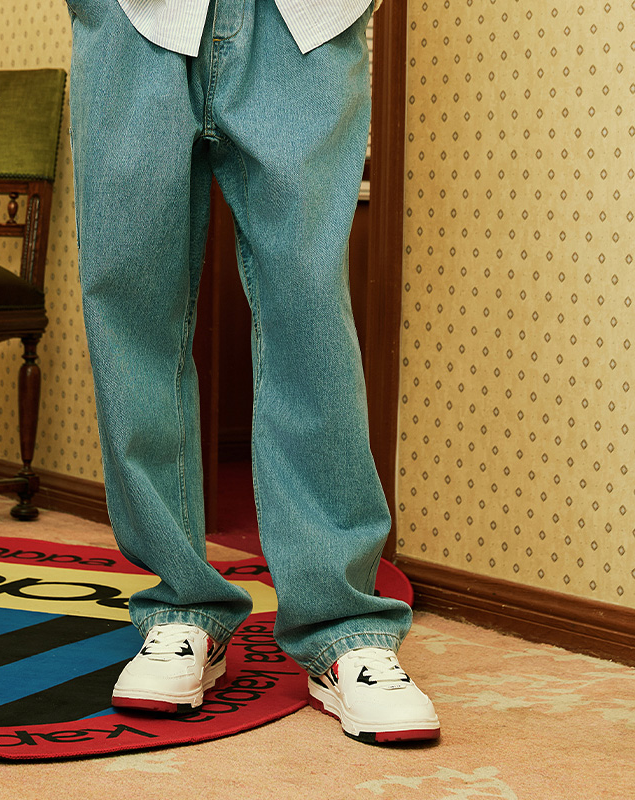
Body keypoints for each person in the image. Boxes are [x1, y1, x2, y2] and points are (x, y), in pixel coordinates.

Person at [66, 0, 440, 744]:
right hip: (132, 18)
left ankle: (344, 628)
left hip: (302, 19)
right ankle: (181, 609)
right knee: (131, 303)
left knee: (308, 309)